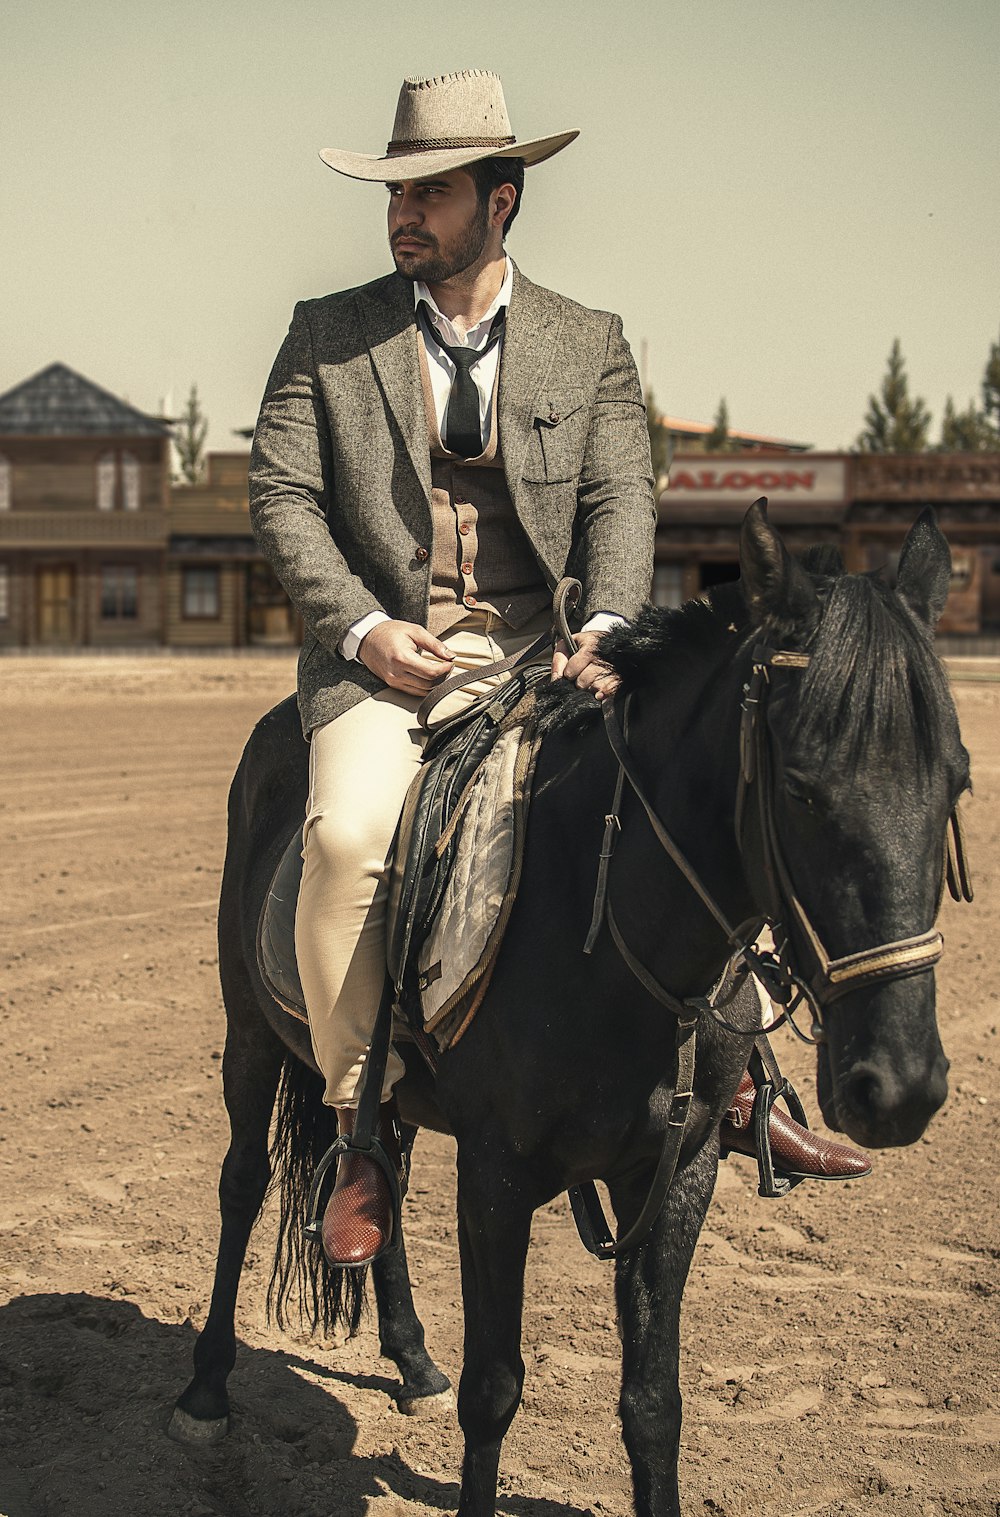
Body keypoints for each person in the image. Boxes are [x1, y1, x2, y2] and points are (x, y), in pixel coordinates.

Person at [249, 70, 868, 1269]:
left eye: (431, 190)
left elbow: (619, 496)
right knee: (343, 838)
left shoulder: (589, 343)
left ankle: (742, 1074)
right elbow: (280, 496)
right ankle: (357, 1124)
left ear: (503, 199)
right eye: (396, 190)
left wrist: (613, 625)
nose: (403, 213)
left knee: (694, 796)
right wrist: (365, 630)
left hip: (551, 655)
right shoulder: (326, 333)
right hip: (389, 669)